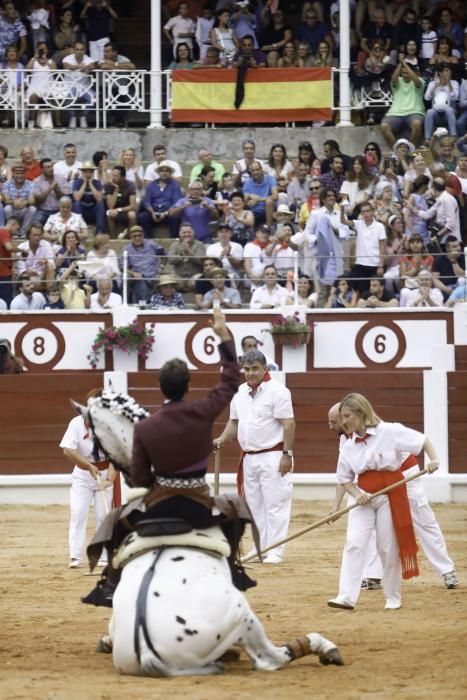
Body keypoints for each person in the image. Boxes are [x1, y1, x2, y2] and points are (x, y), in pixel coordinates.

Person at [82, 308, 247, 606]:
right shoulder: (203, 411)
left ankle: (110, 584)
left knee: (116, 523)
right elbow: (231, 380)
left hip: (159, 506)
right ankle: (235, 571)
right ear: (189, 386)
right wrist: (224, 337)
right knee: (236, 512)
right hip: (200, 505)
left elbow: (142, 478)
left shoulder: (146, 428)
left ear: (160, 387)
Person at [327, 393, 440, 611]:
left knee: (387, 547)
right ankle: (346, 597)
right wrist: (356, 492)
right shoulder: (348, 444)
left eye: (347, 416)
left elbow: (422, 440)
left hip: (390, 496)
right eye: (342, 418)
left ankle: (392, 597)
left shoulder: (389, 431)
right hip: (364, 498)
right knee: (354, 543)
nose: (343, 422)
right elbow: (344, 479)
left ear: (360, 413)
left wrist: (433, 459)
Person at [214, 349, 295, 563]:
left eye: (255, 369)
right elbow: (234, 422)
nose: (250, 373)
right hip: (249, 457)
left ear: (265, 369)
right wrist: (222, 438)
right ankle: (260, 548)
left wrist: (287, 454)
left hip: (273, 455)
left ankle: (276, 549)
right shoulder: (239, 392)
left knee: (275, 503)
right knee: (255, 505)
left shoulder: (278, 391)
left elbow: (289, 424)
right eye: (247, 369)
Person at [327, 403, 382, 590]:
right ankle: (367, 578)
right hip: (358, 488)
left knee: (379, 535)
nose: (331, 426)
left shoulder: (377, 432)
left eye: (334, 422)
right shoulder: (345, 440)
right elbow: (343, 476)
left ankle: (374, 577)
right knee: (357, 536)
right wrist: (335, 507)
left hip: (383, 486)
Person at [60, 394, 116, 568]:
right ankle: (75, 556)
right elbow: (67, 450)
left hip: (106, 471)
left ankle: (104, 556)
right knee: (78, 512)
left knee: (103, 515)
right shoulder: (76, 423)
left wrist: (109, 479)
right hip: (83, 475)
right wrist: (88, 466)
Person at [380, 57, 425, 147]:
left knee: (416, 124)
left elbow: (416, 81)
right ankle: (396, 150)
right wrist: (400, 63)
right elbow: (393, 79)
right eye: (403, 73)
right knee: (384, 126)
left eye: (408, 72)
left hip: (415, 112)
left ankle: (411, 149)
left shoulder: (420, 81)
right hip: (395, 113)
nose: (405, 75)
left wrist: (404, 63)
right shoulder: (398, 81)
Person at [137, 160, 183, 239]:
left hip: (168, 213)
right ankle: (148, 240)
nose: (164, 173)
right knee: (142, 217)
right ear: (158, 172)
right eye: (162, 170)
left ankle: (173, 240)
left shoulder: (175, 185)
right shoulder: (151, 185)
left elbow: (177, 202)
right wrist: (152, 213)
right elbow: (146, 201)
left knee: (176, 217)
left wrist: (165, 213)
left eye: (167, 171)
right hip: (153, 213)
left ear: (170, 173)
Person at [123, 226, 166, 305]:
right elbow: (123, 267)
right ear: (130, 237)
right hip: (138, 275)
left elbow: (164, 254)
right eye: (134, 236)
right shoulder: (127, 249)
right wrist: (133, 273)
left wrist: (161, 266)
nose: (137, 238)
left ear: (143, 235)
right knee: (140, 283)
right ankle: (143, 306)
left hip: (153, 274)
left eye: (139, 235)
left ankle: (140, 305)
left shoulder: (151, 244)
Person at [63, 41, 96, 129]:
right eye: (77, 49)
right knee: (69, 96)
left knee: (93, 97)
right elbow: (67, 66)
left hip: (84, 87)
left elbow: (92, 66)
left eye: (81, 49)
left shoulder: (88, 59)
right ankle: (72, 117)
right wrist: (80, 67)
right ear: (74, 50)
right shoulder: (67, 58)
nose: (79, 51)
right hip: (70, 86)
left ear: (84, 50)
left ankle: (83, 116)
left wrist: (87, 67)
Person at [2, 163, 36, 239]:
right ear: (13, 174)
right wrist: (14, 202)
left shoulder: (31, 184)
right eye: (17, 173)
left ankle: (23, 232)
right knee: (7, 208)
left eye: (22, 173)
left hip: (24, 210)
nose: (20, 176)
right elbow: (6, 200)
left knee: (33, 209)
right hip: (13, 210)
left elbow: (32, 200)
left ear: (25, 174)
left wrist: (25, 202)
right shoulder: (7, 184)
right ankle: (14, 232)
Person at [72, 161, 106, 234]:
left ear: (93, 173)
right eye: (85, 172)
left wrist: (90, 183)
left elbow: (99, 198)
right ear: (82, 173)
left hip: (93, 210)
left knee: (100, 204)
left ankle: (100, 232)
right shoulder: (77, 182)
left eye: (90, 172)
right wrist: (84, 183)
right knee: (76, 204)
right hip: (82, 210)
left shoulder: (97, 183)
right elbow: (77, 198)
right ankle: (78, 231)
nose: (88, 174)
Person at [104, 166, 137, 238]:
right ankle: (113, 238)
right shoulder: (108, 185)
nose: (113, 177)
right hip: (114, 210)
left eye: (115, 176)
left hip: (126, 210)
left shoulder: (130, 185)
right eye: (112, 175)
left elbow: (133, 206)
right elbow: (110, 205)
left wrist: (119, 210)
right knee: (110, 214)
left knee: (132, 215)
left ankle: (130, 237)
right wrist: (116, 190)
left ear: (122, 177)